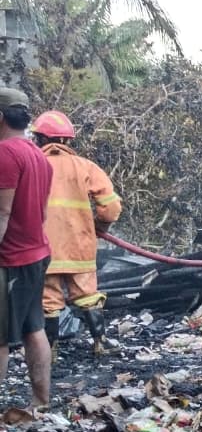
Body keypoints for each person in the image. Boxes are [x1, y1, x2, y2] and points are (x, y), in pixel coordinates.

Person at [31, 110, 123, 358]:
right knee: (88, 295)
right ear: (67, 140)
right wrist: (100, 227)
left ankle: (49, 350)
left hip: (43, 249)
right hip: (79, 246)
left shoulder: (31, 165)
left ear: (40, 138)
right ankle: (100, 342)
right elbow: (111, 207)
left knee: (48, 301)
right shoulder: (85, 166)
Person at [0, 88, 54, 408]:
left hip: (11, 258)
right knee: (34, 328)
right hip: (37, 254)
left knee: (1, 338)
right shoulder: (38, 155)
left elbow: (2, 212)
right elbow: (43, 213)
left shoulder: (5, 153)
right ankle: (41, 403)